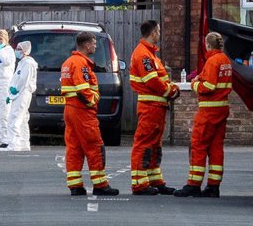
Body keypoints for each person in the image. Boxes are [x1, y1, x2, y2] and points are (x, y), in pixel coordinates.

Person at [174, 32, 232, 198]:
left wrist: (194, 84)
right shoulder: (225, 61)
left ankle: (193, 184)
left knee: (198, 145)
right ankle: (213, 186)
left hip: (208, 111)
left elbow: (209, 86)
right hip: (221, 110)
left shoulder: (212, 61)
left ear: (208, 45)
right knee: (216, 148)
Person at [60, 32, 119, 196]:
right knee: (94, 145)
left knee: (74, 147)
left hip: (70, 110)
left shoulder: (68, 62)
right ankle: (100, 184)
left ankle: (75, 185)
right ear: (86, 45)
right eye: (93, 43)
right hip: (82, 111)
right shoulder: (80, 63)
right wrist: (93, 101)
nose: (95, 46)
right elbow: (83, 89)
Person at [129, 20, 180, 195]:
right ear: (153, 33)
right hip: (150, 106)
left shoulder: (151, 55)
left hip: (157, 106)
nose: (160, 34)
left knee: (154, 145)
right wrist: (170, 91)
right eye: (158, 31)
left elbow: (159, 78)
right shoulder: (144, 55)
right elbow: (152, 81)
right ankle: (139, 183)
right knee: (144, 143)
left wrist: (170, 89)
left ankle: (154, 180)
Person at [0, 41, 38, 151]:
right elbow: (18, 79)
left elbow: (23, 80)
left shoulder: (28, 63)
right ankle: (23, 143)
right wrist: (11, 95)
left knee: (14, 118)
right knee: (23, 118)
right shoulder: (23, 62)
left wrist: (15, 90)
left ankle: (14, 144)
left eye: (19, 49)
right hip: (19, 94)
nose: (16, 51)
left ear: (25, 51)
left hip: (22, 93)